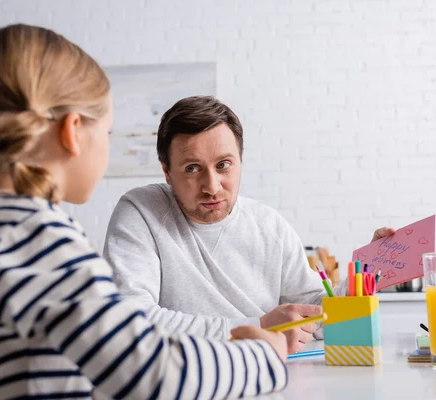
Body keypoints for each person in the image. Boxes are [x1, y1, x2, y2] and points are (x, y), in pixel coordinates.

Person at [0, 24, 288, 398]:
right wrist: (263, 358)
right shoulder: (34, 239)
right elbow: (151, 374)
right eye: (106, 133)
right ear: (72, 131)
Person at [104, 96, 395, 353]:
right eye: (192, 169)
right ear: (167, 172)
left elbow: (317, 318)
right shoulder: (141, 211)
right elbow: (131, 321)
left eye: (223, 165)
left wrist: (363, 278)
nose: (212, 187)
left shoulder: (270, 226)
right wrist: (259, 329)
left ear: (240, 161)